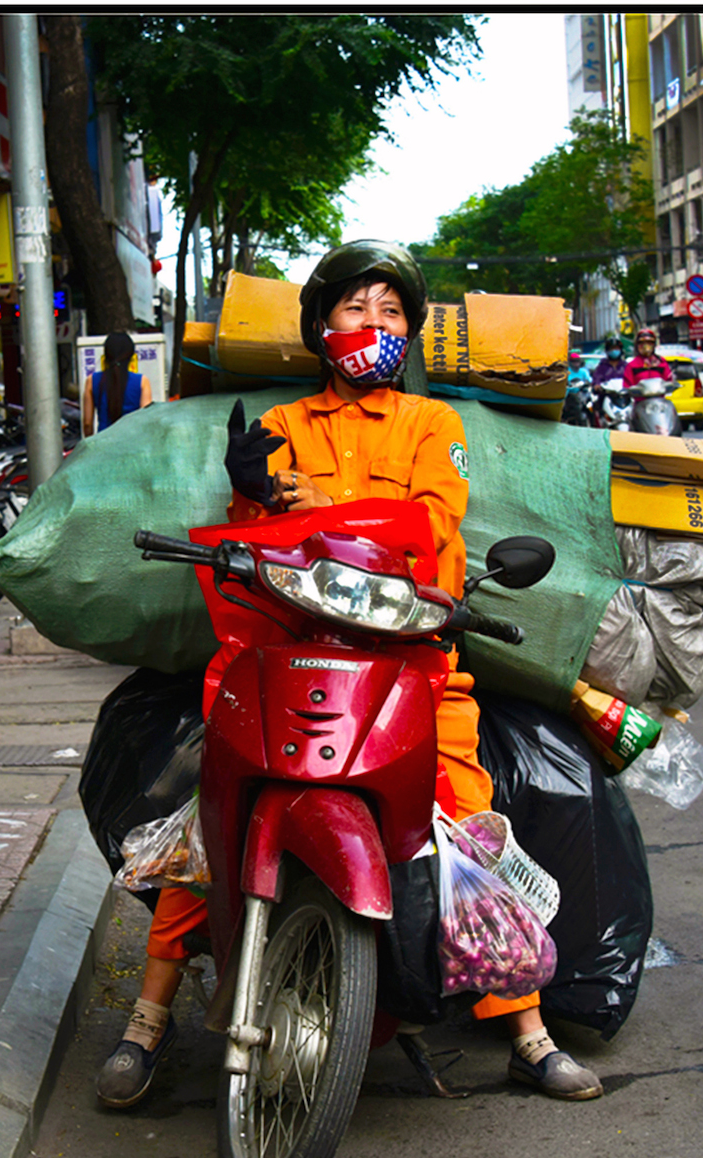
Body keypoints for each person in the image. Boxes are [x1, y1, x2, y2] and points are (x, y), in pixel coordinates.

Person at [95, 240, 603, 1110]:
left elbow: (436, 531)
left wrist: (321, 507)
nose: (375, 325)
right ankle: (147, 1023)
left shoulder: (432, 426)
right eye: (357, 308)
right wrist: (250, 489)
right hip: (285, 657)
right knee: (212, 821)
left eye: (392, 311)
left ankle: (526, 1030)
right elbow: (253, 549)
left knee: (470, 825)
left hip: (408, 662)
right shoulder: (283, 426)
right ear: (321, 326)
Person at [82, 331, 152, 435]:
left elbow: (87, 423)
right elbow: (146, 422)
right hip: (132, 445)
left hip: (103, 445)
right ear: (131, 356)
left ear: (105, 355)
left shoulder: (92, 381)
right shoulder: (142, 381)